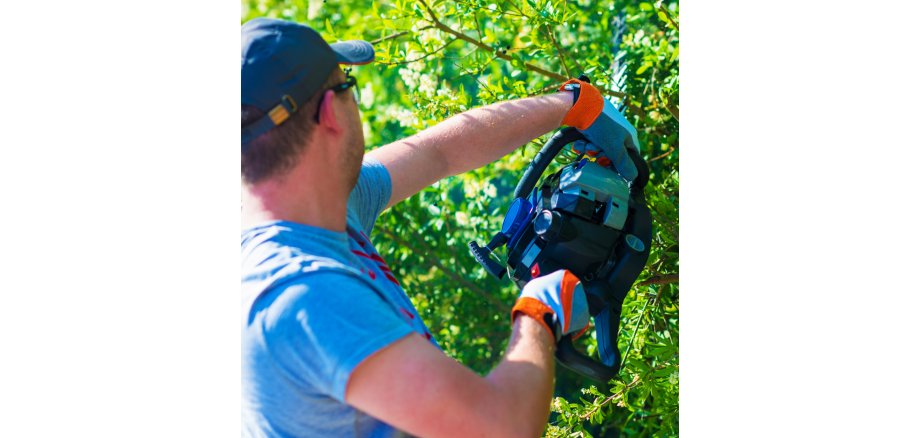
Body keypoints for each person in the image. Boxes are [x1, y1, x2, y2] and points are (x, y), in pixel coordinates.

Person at [241, 17, 641, 438]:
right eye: (346, 84)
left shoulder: (321, 202)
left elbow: (439, 152)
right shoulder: (303, 294)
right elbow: (501, 427)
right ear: (329, 112)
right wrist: (539, 314)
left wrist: (573, 106)